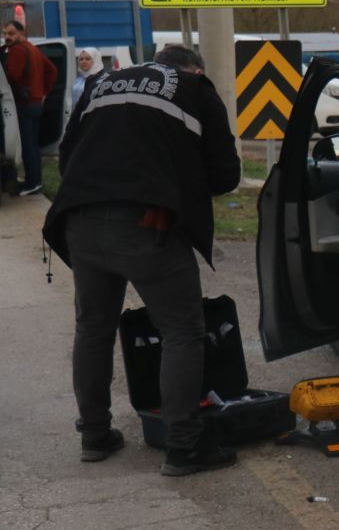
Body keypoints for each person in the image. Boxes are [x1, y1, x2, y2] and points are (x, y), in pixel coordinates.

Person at [43, 44, 241, 475]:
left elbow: (66, 153)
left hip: (80, 218)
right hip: (147, 224)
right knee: (182, 331)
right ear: (194, 70)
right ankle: (183, 446)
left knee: (93, 328)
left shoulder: (98, 84)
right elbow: (226, 176)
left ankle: (94, 434)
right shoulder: (195, 88)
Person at [3, 19, 57, 195]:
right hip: (35, 103)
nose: (7, 37)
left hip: (23, 104)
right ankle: (35, 181)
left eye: (11, 34)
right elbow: (52, 70)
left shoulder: (17, 50)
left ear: (21, 34)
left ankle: (32, 183)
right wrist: (43, 93)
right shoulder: (33, 49)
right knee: (32, 145)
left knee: (27, 146)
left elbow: (11, 76)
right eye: (5, 33)